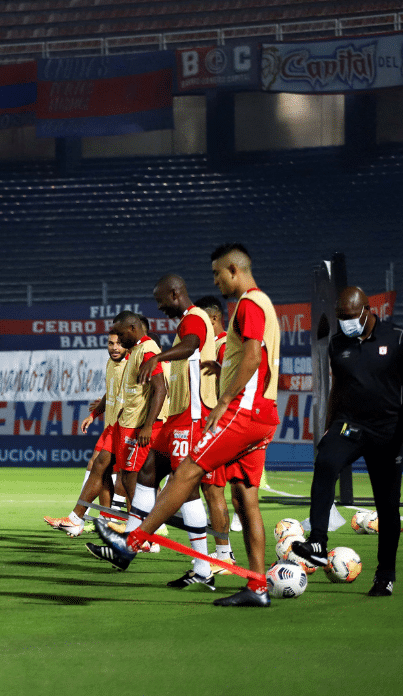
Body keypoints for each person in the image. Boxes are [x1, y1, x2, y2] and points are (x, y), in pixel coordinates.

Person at [92, 243, 281, 607]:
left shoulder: (248, 304)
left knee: (187, 474)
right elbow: (250, 356)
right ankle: (256, 587)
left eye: (216, 274)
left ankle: (129, 546)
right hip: (263, 412)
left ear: (233, 270)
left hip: (241, 412)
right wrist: (220, 373)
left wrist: (225, 400)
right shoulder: (265, 306)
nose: (214, 281)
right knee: (244, 497)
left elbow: (253, 355)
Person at [292, 287, 403, 596]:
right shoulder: (337, 344)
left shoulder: (398, 338)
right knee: (325, 461)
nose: (345, 322)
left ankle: (384, 575)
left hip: (388, 430)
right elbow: (338, 388)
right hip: (350, 425)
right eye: (340, 317)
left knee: (386, 506)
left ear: (367, 310)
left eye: (349, 316)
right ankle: (318, 541)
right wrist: (328, 428)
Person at [133, 274, 219, 590]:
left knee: (186, 489)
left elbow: (193, 344)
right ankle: (129, 541)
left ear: (175, 293)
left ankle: (203, 568)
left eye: (161, 301)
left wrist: (157, 356)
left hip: (194, 416)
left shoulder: (194, 319)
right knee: (148, 469)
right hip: (179, 416)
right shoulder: (184, 322)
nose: (159, 308)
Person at [44, 331, 128, 536]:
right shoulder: (112, 364)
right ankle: (104, 520)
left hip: (127, 426)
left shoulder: (131, 364)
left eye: (119, 344)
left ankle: (138, 530)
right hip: (113, 425)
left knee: (127, 475)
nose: (114, 347)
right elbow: (112, 393)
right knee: (101, 467)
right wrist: (95, 413)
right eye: (110, 343)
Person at [94, 310, 168, 533]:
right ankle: (137, 529)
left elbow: (160, 388)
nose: (118, 340)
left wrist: (147, 425)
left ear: (132, 330)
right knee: (126, 479)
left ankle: (146, 532)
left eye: (120, 334)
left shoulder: (147, 350)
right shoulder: (136, 351)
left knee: (133, 478)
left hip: (140, 426)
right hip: (129, 422)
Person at [193, 294, 236, 572]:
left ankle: (225, 555)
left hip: (216, 429)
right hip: (205, 426)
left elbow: (229, 388)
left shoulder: (223, 347)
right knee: (205, 490)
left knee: (213, 490)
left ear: (212, 318)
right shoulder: (211, 347)